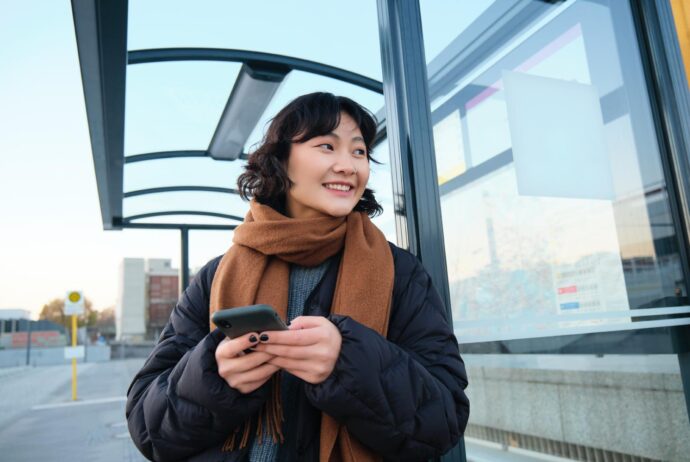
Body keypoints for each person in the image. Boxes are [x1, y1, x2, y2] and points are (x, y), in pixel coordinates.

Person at [126, 92, 470, 462]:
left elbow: (444, 419)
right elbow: (148, 428)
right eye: (327, 146)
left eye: (359, 152)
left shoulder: (401, 272)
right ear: (281, 160)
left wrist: (347, 362)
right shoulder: (216, 275)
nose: (348, 166)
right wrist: (214, 375)